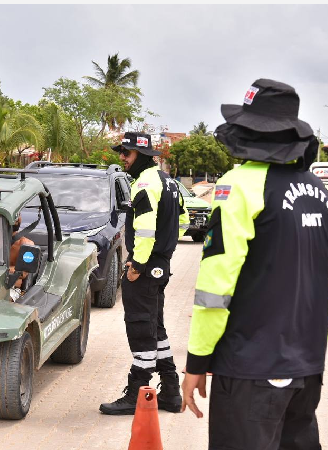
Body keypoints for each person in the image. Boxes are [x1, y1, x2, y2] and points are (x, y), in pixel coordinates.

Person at [182, 79, 328, 449]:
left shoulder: (238, 185)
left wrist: (197, 361)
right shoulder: (319, 190)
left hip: (251, 368)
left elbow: (216, 285)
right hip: (307, 367)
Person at [100, 132, 188, 415]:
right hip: (160, 266)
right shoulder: (169, 182)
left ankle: (137, 392)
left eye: (126, 153)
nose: (122, 159)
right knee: (155, 327)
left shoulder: (145, 185)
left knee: (140, 327)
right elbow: (183, 220)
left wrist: (137, 265)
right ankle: (171, 391)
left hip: (145, 269)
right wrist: (166, 252)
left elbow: (146, 231)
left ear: (143, 156)